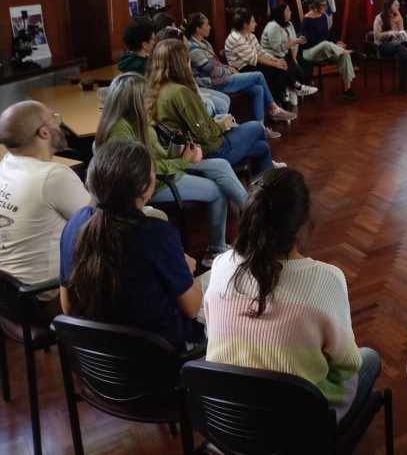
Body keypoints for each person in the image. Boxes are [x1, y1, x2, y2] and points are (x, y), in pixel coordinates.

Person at [205, 167, 381, 426]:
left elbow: (210, 333)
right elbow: (347, 365)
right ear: (302, 220)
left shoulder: (221, 264)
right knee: (369, 358)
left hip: (229, 419)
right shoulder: (327, 280)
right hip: (297, 424)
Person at [59, 141, 205, 352]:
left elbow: (67, 307)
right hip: (161, 355)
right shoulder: (158, 234)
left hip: (96, 357)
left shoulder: (75, 223)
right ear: (145, 188)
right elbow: (192, 308)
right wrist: (186, 270)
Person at [96, 72, 246, 269]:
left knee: (221, 165)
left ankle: (254, 212)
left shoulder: (134, 120)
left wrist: (181, 153)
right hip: (154, 183)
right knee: (217, 191)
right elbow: (145, 169)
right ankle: (216, 249)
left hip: (167, 170)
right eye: (147, 96)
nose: (151, 100)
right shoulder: (120, 131)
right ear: (134, 101)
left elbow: (155, 155)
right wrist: (182, 161)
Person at [0, 102, 90, 316]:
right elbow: (99, 224)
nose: (59, 124)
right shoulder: (53, 176)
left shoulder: (6, 165)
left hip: (8, 298)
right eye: (54, 118)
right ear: (43, 132)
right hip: (44, 298)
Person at [149, 39, 282, 174]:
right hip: (212, 150)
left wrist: (216, 124)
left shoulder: (157, 88)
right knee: (257, 126)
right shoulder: (180, 92)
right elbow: (205, 133)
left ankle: (267, 177)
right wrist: (223, 125)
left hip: (195, 147)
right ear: (180, 62)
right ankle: (270, 179)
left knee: (262, 148)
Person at [185, 12, 295, 139]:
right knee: (258, 75)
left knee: (258, 89)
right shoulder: (193, 47)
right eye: (207, 25)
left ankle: (260, 128)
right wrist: (229, 70)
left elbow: (218, 64)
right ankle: (275, 109)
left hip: (222, 78)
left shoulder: (205, 43)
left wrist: (227, 68)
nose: (210, 27)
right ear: (198, 29)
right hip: (213, 83)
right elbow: (211, 71)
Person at [226, 8, 316, 107]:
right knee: (277, 68)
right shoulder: (235, 38)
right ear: (245, 25)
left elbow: (261, 52)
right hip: (241, 70)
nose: (256, 24)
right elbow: (254, 58)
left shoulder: (250, 36)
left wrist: (277, 60)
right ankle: (298, 87)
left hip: (252, 64)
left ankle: (279, 106)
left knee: (279, 76)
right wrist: (275, 64)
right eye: (253, 22)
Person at [158, 26, 232, 118]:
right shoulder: (178, 67)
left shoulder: (172, 61)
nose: (187, 40)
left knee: (225, 100)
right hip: (204, 85)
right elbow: (209, 72)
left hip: (195, 90)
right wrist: (202, 98)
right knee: (221, 105)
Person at [299, 0, 359, 101]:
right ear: (315, 6)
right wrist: (332, 45)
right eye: (323, 5)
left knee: (344, 56)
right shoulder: (306, 20)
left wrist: (335, 42)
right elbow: (311, 42)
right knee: (325, 44)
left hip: (326, 49)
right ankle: (351, 52)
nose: (326, 7)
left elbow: (327, 35)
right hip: (310, 51)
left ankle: (347, 90)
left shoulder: (323, 17)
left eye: (325, 4)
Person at [260, 3, 314, 93]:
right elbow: (278, 48)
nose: (291, 12)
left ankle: (298, 89)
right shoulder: (273, 27)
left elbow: (295, 44)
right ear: (281, 13)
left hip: (286, 54)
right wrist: (295, 41)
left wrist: (294, 57)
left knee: (307, 66)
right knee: (297, 70)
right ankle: (296, 89)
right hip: (274, 56)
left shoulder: (289, 24)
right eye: (288, 11)